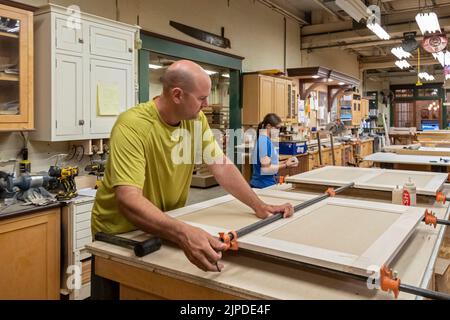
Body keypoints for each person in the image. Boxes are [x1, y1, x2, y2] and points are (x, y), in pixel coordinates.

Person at [92, 60, 295, 275]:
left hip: (162, 223)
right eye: (201, 98)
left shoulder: (195, 120)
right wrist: (183, 233)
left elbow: (221, 166)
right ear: (177, 95)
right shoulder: (132, 125)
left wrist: (259, 206)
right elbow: (128, 200)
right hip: (121, 233)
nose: (206, 104)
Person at [250, 113, 299, 189]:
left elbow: (270, 163)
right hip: (262, 186)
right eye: (277, 128)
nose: (279, 131)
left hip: (267, 184)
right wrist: (286, 165)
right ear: (268, 126)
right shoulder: (264, 142)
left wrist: (285, 162)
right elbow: (266, 169)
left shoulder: (267, 140)